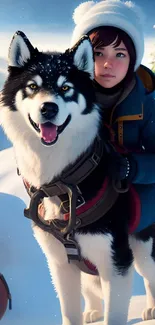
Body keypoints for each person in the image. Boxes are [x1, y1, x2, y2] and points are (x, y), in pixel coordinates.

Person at [70, 0, 155, 232]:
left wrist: (131, 168)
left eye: (120, 54)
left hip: (133, 202)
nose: (108, 63)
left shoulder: (147, 102)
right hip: (78, 204)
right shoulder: (65, 99)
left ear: (133, 61)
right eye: (98, 52)